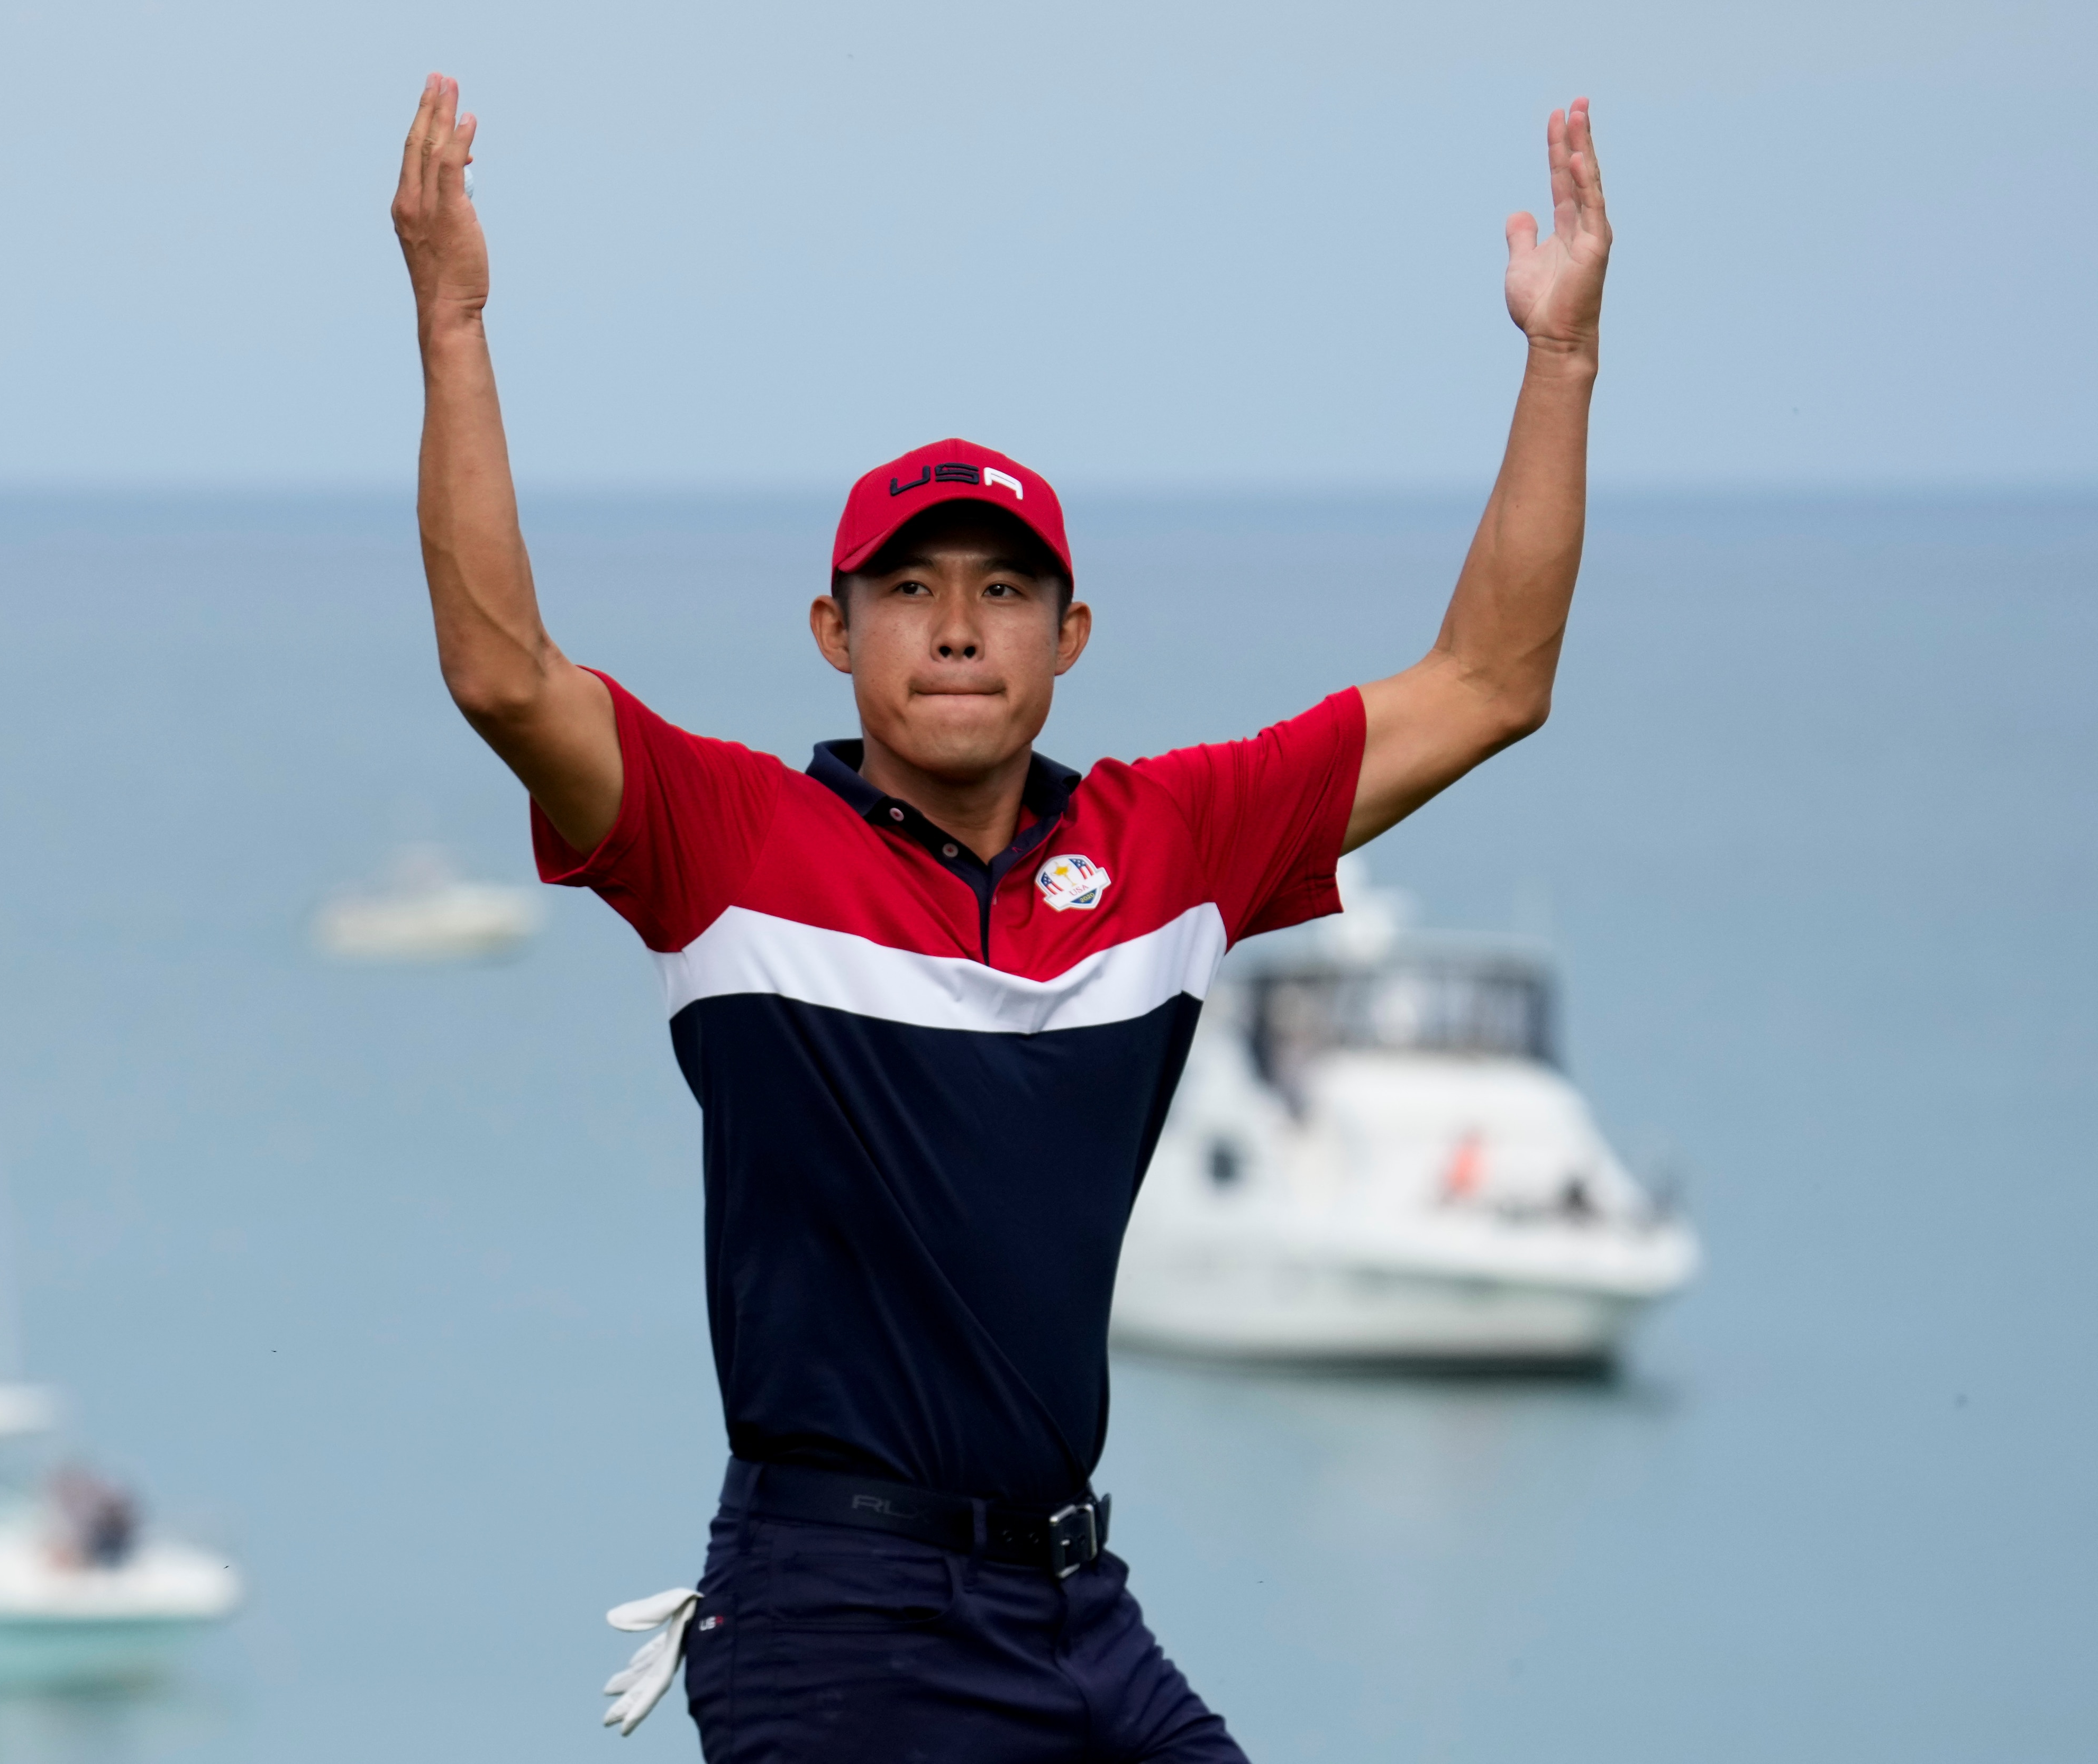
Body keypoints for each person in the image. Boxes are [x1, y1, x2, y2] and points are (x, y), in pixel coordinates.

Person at [391, 72, 1610, 1762]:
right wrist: (454, 319)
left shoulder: (1173, 839)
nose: (957, 628)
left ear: (1071, 633)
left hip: (1077, 1609)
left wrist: (1559, 362)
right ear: (834, 630)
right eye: (911, 588)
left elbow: (1491, 681)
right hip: (837, 1617)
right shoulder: (729, 837)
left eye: (1001, 590)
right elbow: (499, 671)